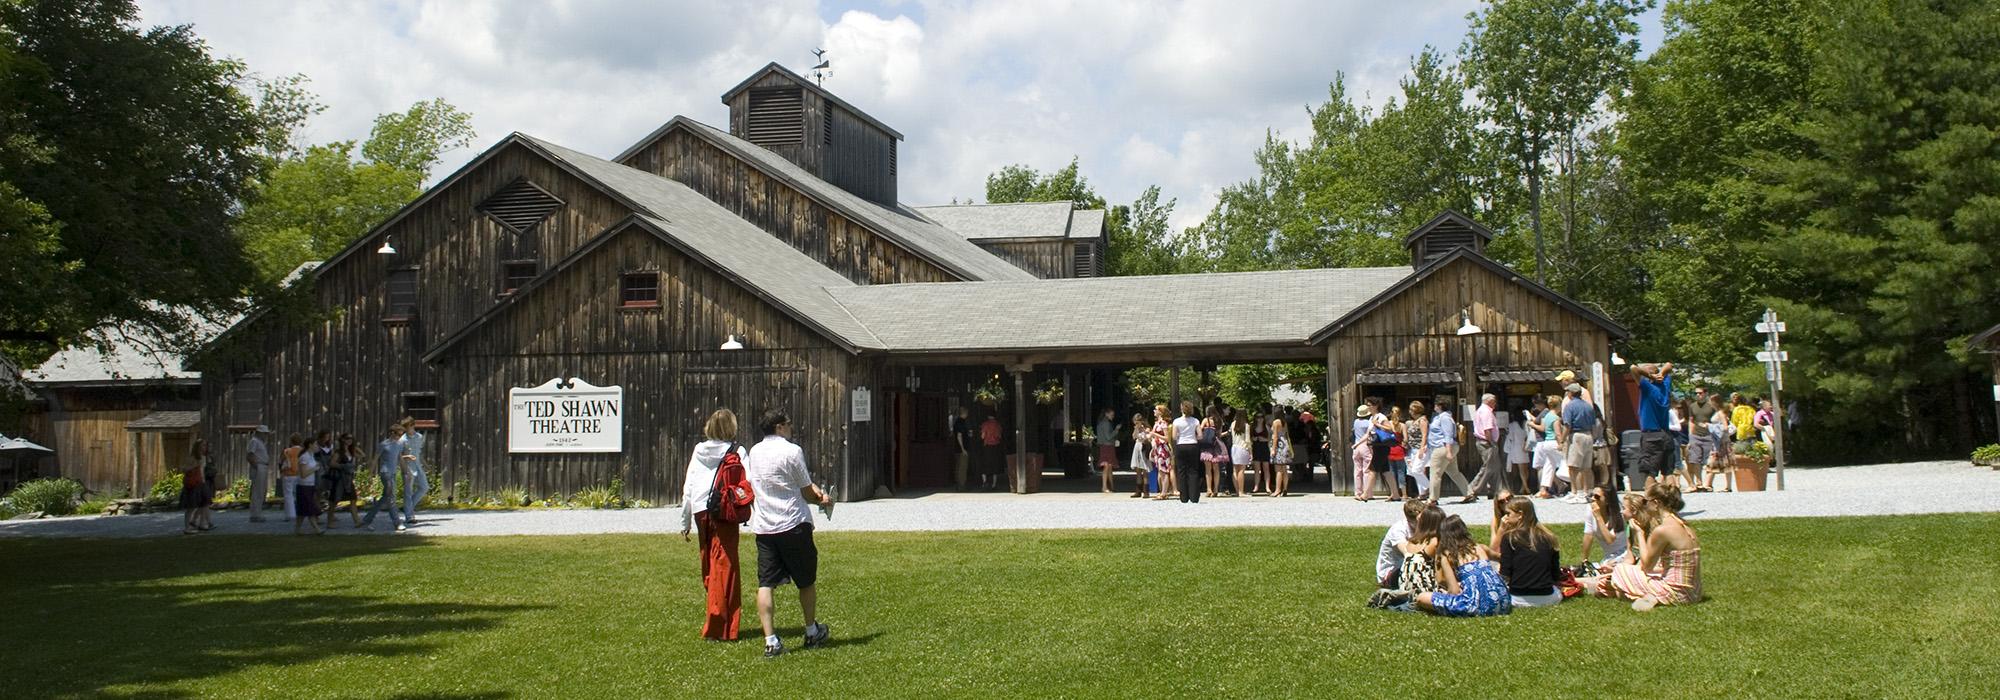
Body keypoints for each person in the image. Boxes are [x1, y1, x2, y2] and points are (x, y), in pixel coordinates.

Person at [746, 409, 833, 658]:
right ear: (780, 427)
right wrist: (821, 499)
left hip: (765, 526)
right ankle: (811, 630)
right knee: (805, 580)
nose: (791, 428)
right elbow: (805, 490)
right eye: (789, 424)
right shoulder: (791, 450)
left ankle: (771, 640)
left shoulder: (755, 451)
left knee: (765, 583)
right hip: (793, 522)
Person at [681, 409, 750, 641]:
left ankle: (718, 615)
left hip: (702, 509)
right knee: (726, 566)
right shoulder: (737, 451)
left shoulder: (699, 450)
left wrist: (685, 519)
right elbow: (748, 484)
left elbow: (689, 486)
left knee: (710, 564)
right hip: (724, 509)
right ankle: (720, 626)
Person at [1582, 484, 1703, 611]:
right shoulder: (1684, 525)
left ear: (1656, 503)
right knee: (1618, 577)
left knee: (1620, 570)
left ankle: (1623, 592)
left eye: (1646, 501)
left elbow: (1646, 566)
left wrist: (1639, 533)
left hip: (1675, 592)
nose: (1644, 504)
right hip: (1694, 592)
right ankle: (1622, 592)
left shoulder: (1662, 530)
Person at [1415, 515, 1512, 617]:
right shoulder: (1480, 547)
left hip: (1477, 606)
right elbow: (1504, 559)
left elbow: (1454, 591)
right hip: (1503, 602)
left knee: (1422, 597)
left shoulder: (1447, 555)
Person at [1489, 495, 1562, 608]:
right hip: (1547, 596)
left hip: (1518, 598)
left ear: (1520, 515)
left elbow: (1505, 573)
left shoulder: (1509, 538)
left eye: (1508, 514)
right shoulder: (1548, 536)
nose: (1506, 517)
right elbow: (1555, 574)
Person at [1632, 362, 1677, 490]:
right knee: (1668, 472)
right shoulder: (1665, 386)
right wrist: (1661, 374)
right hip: (1667, 435)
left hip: (1651, 436)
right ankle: (1672, 502)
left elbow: (1633, 368)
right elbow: (1669, 365)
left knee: (1649, 472)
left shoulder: (1647, 388)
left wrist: (1650, 376)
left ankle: (1650, 502)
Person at [360, 425, 405, 531]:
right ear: (392, 433)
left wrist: (405, 471)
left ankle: (367, 519)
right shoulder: (384, 444)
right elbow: (375, 459)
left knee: (385, 497)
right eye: (398, 434)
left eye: (401, 434)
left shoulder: (399, 445)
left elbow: (400, 458)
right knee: (391, 498)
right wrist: (370, 474)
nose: (400, 436)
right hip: (386, 473)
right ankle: (397, 523)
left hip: (393, 473)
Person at [1375, 499, 1429, 588]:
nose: (1424, 524)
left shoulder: (1424, 526)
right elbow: (1408, 554)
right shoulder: (1398, 530)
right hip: (1391, 572)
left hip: (1409, 568)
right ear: (1409, 520)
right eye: (1420, 521)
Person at [1464, 393, 1505, 503]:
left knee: (1495, 467)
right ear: (1489, 401)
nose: (1495, 403)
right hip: (1487, 442)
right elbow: (1487, 429)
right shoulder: (1486, 412)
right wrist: (1492, 442)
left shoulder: (1480, 410)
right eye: (1494, 401)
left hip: (1483, 441)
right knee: (1487, 467)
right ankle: (1472, 489)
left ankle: (1495, 491)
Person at [1558, 384, 1597, 504]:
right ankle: (1589, 491)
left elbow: (1567, 425)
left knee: (1575, 466)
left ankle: (1578, 493)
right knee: (1587, 467)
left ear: (1570, 393)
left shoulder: (1570, 406)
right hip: (1588, 435)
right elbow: (1593, 424)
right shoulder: (1588, 406)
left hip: (1576, 436)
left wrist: (1562, 440)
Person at [1579, 486, 1630, 570]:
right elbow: (1588, 535)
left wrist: (1598, 517)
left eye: (1597, 496)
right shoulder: (1590, 509)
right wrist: (1584, 560)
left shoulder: (1618, 514)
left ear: (1607, 501)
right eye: (1591, 495)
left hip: (1624, 553)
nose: (1592, 498)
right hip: (1608, 556)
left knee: (1605, 568)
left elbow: (1609, 540)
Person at [1426, 398, 1468, 499]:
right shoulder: (1440, 417)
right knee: (1454, 472)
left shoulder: (1445, 418)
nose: (1434, 407)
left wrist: (1448, 452)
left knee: (1435, 473)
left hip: (1442, 447)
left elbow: (1447, 435)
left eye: (1436, 405)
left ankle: (1433, 498)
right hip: (1444, 447)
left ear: (1439, 406)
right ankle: (1469, 492)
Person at [1530, 397, 1565, 499]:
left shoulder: (1547, 416)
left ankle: (1543, 489)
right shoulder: (1555, 418)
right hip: (1554, 442)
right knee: (1566, 462)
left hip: (1546, 443)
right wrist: (1561, 443)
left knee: (1548, 466)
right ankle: (1576, 488)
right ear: (1558, 405)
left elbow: (1544, 428)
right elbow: (1558, 433)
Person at [398, 417, 431, 526]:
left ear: (412, 425)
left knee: (424, 487)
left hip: (418, 466)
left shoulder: (419, 437)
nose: (408, 429)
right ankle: (409, 517)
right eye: (405, 427)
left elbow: (419, 453)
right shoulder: (402, 440)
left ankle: (408, 507)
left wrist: (426, 465)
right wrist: (407, 456)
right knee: (408, 492)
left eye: (409, 426)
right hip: (407, 467)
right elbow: (399, 455)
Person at [1697, 394, 1734, 492]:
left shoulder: (1720, 413)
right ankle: (1722, 486)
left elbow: (1725, 427)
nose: (1709, 403)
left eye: (1710, 401)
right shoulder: (1719, 412)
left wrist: (1709, 426)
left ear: (1715, 402)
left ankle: (1709, 485)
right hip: (1719, 441)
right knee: (1723, 462)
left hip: (1720, 442)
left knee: (1716, 462)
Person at [325, 433, 363, 528]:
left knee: (353, 499)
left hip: (348, 479)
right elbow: (331, 463)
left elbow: (362, 455)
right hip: (339, 479)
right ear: (342, 440)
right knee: (334, 501)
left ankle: (357, 521)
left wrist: (355, 447)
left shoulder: (351, 451)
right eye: (347, 438)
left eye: (351, 438)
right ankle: (330, 522)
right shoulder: (339, 452)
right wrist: (343, 466)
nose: (349, 440)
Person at [1169, 401, 1202, 504]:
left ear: (1182, 409)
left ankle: (1184, 497)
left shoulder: (1176, 421)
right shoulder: (1195, 421)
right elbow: (1200, 435)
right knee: (1193, 471)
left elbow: (1174, 436)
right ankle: (1194, 496)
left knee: (1181, 471)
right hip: (1192, 445)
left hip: (1181, 445)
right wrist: (1194, 438)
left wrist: (1180, 436)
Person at [293, 434, 324, 535]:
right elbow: (303, 474)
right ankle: (317, 529)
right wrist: (315, 468)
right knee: (310, 508)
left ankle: (297, 529)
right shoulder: (304, 457)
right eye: (315, 444)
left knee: (303, 509)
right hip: (303, 486)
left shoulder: (311, 456)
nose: (317, 446)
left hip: (310, 485)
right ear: (310, 445)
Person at [1404, 401, 1432, 499]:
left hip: (1420, 448)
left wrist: (1421, 448)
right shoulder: (1414, 421)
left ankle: (1429, 488)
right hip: (1413, 449)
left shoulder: (1422, 420)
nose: (1410, 412)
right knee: (1414, 471)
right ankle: (1422, 493)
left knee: (1417, 470)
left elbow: (1424, 434)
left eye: (1411, 409)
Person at [179, 441, 207, 535]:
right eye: (203, 445)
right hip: (192, 484)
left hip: (200, 483)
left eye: (205, 445)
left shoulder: (202, 458)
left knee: (204, 504)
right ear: (197, 447)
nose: (205, 447)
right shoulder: (192, 458)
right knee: (190, 507)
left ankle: (194, 521)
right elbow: (183, 469)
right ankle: (187, 528)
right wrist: (193, 466)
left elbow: (202, 472)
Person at [247, 425, 272, 522]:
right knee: (257, 491)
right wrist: (256, 466)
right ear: (260, 433)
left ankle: (258, 513)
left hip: (262, 466)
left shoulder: (260, 442)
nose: (266, 435)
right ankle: (255, 514)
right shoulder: (254, 441)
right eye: (264, 433)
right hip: (259, 466)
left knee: (261, 491)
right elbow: (250, 455)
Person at [1199, 406, 1225, 498]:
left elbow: (1200, 429)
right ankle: (1216, 489)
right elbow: (1219, 434)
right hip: (1216, 445)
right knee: (1216, 469)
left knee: (1208, 469)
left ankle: (1208, 489)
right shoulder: (1219, 421)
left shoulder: (1206, 420)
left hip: (1207, 446)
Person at [1350, 403, 1375, 497]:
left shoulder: (1356, 422)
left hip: (1356, 447)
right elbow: (1370, 434)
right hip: (1365, 446)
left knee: (1357, 470)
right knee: (1366, 470)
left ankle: (1357, 492)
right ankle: (1367, 493)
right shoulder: (1368, 423)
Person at [1151, 404, 1175, 500]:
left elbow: (1166, 438)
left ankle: (1164, 492)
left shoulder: (1164, 423)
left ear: (1160, 412)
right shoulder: (1157, 423)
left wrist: (1155, 434)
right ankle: (1162, 491)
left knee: (1164, 471)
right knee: (1160, 471)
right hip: (1157, 449)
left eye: (1156, 409)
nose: (1154, 411)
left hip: (1163, 449)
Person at [1505, 409, 1532, 495]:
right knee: (1525, 468)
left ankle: (1525, 487)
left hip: (1516, 448)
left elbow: (1510, 437)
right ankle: (1523, 487)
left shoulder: (1512, 425)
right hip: (1525, 447)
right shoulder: (1526, 423)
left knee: (1521, 469)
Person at [1268, 409, 1293, 497]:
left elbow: (1275, 436)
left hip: (1279, 445)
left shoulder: (1276, 422)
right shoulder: (1284, 422)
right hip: (1285, 444)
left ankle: (1277, 489)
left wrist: (1273, 449)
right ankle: (1285, 489)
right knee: (1284, 469)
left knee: (1278, 469)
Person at [279, 433, 303, 521]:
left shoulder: (287, 451)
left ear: (291, 441)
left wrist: (281, 471)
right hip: (299, 474)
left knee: (288, 495)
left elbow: (281, 461)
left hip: (288, 474)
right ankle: (299, 513)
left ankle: (290, 515)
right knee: (298, 494)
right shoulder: (303, 451)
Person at [1129, 413, 1154, 498]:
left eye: (1137, 422)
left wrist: (1144, 432)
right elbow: (1134, 437)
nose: (1136, 424)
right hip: (1137, 447)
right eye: (1135, 423)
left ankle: (1146, 491)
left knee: (1145, 470)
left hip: (1144, 448)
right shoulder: (1136, 429)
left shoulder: (1146, 428)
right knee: (1138, 470)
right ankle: (1138, 491)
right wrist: (1136, 429)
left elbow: (1148, 438)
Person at [1228, 411, 1252, 497]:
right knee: (1241, 470)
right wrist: (1250, 452)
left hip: (1234, 447)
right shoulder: (1246, 425)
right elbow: (1247, 440)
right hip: (1243, 447)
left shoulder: (1233, 424)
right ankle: (1241, 491)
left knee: (1235, 470)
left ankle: (1237, 491)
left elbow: (1230, 434)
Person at [1249, 403, 1271, 495]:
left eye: (1261, 417)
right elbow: (1249, 438)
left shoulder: (1267, 427)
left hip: (1264, 447)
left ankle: (1267, 487)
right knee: (1257, 468)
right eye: (1257, 417)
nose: (1259, 419)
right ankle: (1256, 486)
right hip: (1256, 447)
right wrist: (1253, 439)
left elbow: (1270, 438)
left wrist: (1264, 439)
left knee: (1266, 468)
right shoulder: (1252, 427)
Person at [979, 412, 1004, 491]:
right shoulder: (998, 425)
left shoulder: (985, 424)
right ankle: (994, 484)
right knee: (995, 464)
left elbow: (983, 436)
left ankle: (985, 482)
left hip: (987, 446)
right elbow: (999, 436)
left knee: (985, 464)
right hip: (995, 446)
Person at [950, 405, 973, 491]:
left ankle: (958, 484)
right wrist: (963, 448)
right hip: (962, 449)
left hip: (957, 448)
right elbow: (959, 436)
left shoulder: (957, 422)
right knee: (962, 468)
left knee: (958, 466)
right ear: (965, 413)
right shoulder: (961, 422)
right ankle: (961, 486)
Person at [1096, 408, 1118, 494]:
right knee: (1106, 466)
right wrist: (1116, 430)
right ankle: (1105, 486)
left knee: (1108, 467)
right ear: (1106, 414)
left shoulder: (1101, 423)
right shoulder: (1106, 424)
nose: (1113, 416)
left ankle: (1110, 486)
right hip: (1107, 446)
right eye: (1111, 415)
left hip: (1104, 446)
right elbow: (1108, 436)